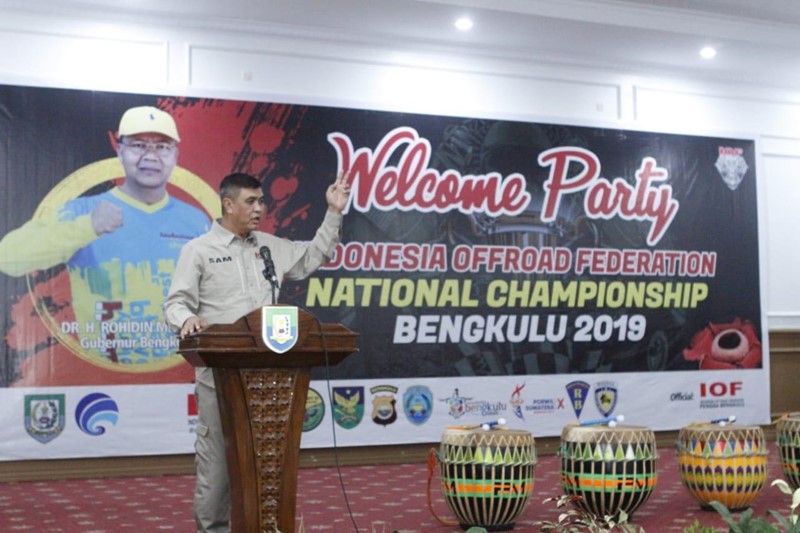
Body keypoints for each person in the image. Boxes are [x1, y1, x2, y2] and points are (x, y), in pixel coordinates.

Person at [163, 171, 350, 533]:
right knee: (217, 471)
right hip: (220, 377)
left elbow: (313, 256)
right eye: (250, 201)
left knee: (268, 463)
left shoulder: (268, 246)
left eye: (261, 201)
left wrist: (334, 212)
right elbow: (176, 303)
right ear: (228, 204)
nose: (259, 208)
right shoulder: (199, 250)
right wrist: (187, 320)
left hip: (270, 379)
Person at [0, 106, 211, 374]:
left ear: (176, 156)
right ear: (120, 151)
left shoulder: (196, 221)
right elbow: (9, 258)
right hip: (101, 372)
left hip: (178, 372)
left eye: (161, 147)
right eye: (138, 145)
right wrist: (88, 226)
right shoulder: (83, 211)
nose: (150, 156)